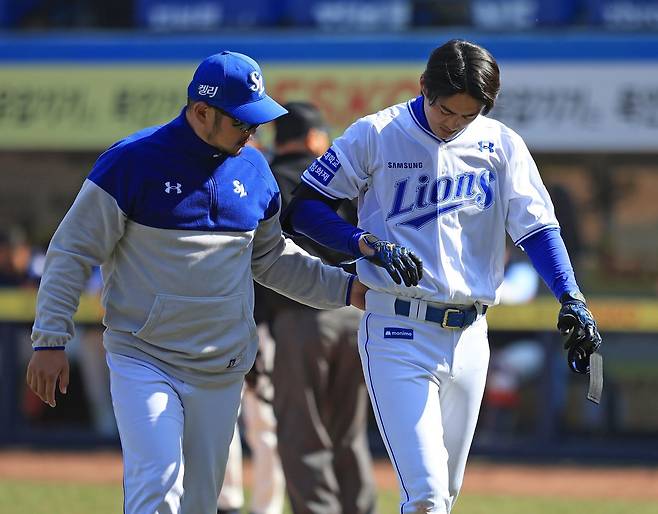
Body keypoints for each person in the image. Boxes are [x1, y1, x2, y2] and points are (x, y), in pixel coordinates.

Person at [26, 50, 367, 514]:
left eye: (257, 122)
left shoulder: (255, 169)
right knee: (157, 488)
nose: (252, 132)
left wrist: (345, 289)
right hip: (144, 357)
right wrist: (49, 340)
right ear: (201, 111)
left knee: (200, 504)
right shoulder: (130, 162)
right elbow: (71, 251)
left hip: (221, 367)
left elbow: (271, 259)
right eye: (242, 122)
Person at [283, 39, 602, 513]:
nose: (454, 122)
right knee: (427, 496)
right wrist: (362, 243)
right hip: (397, 327)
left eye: (468, 114)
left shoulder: (500, 144)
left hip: (471, 333)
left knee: (444, 497)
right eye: (446, 109)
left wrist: (570, 296)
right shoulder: (377, 133)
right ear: (423, 88)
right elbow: (304, 208)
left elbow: (538, 229)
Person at [263, 102, 377, 514]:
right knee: (348, 433)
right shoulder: (339, 181)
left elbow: (259, 262)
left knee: (303, 433)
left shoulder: (269, 180)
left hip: (299, 319)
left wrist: (257, 328)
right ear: (314, 138)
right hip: (357, 312)